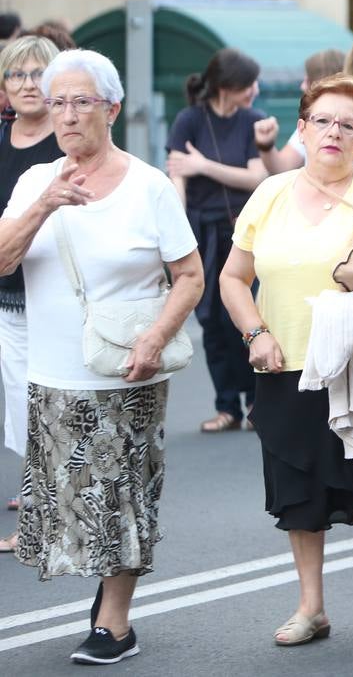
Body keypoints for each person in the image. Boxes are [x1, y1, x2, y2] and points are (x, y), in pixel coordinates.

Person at [0, 48, 204, 664]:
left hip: (126, 370)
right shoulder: (37, 180)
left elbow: (190, 275)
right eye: (55, 101)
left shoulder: (149, 187)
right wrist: (43, 205)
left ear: (111, 108)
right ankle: (102, 600)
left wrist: (155, 337)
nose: (66, 115)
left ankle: (115, 622)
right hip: (52, 372)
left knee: (119, 497)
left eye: (80, 101)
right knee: (68, 501)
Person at [218, 74, 353, 646]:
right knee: (298, 484)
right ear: (302, 129)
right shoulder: (270, 193)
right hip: (284, 359)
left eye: (347, 124)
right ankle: (311, 606)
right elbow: (234, 278)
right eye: (323, 121)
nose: (334, 132)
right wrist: (255, 333)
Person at [166, 49, 268, 433]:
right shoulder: (189, 120)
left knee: (247, 315)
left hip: (244, 231)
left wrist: (203, 166)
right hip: (202, 231)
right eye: (248, 85)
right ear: (228, 87)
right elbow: (178, 176)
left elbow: (256, 177)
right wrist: (177, 228)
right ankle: (227, 406)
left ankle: (258, 401)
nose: (254, 91)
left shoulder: (252, 121)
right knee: (210, 317)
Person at [0, 36, 62, 553]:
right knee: (21, 407)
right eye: (16, 75)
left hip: (58, 296)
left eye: (37, 74)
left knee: (51, 402)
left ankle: (46, 512)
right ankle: (40, 505)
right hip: (8, 297)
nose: (26, 85)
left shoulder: (66, 144)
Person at [256, 48, 348, 174]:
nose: (302, 86)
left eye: (307, 80)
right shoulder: (310, 122)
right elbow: (282, 168)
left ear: (320, 84)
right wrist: (266, 145)